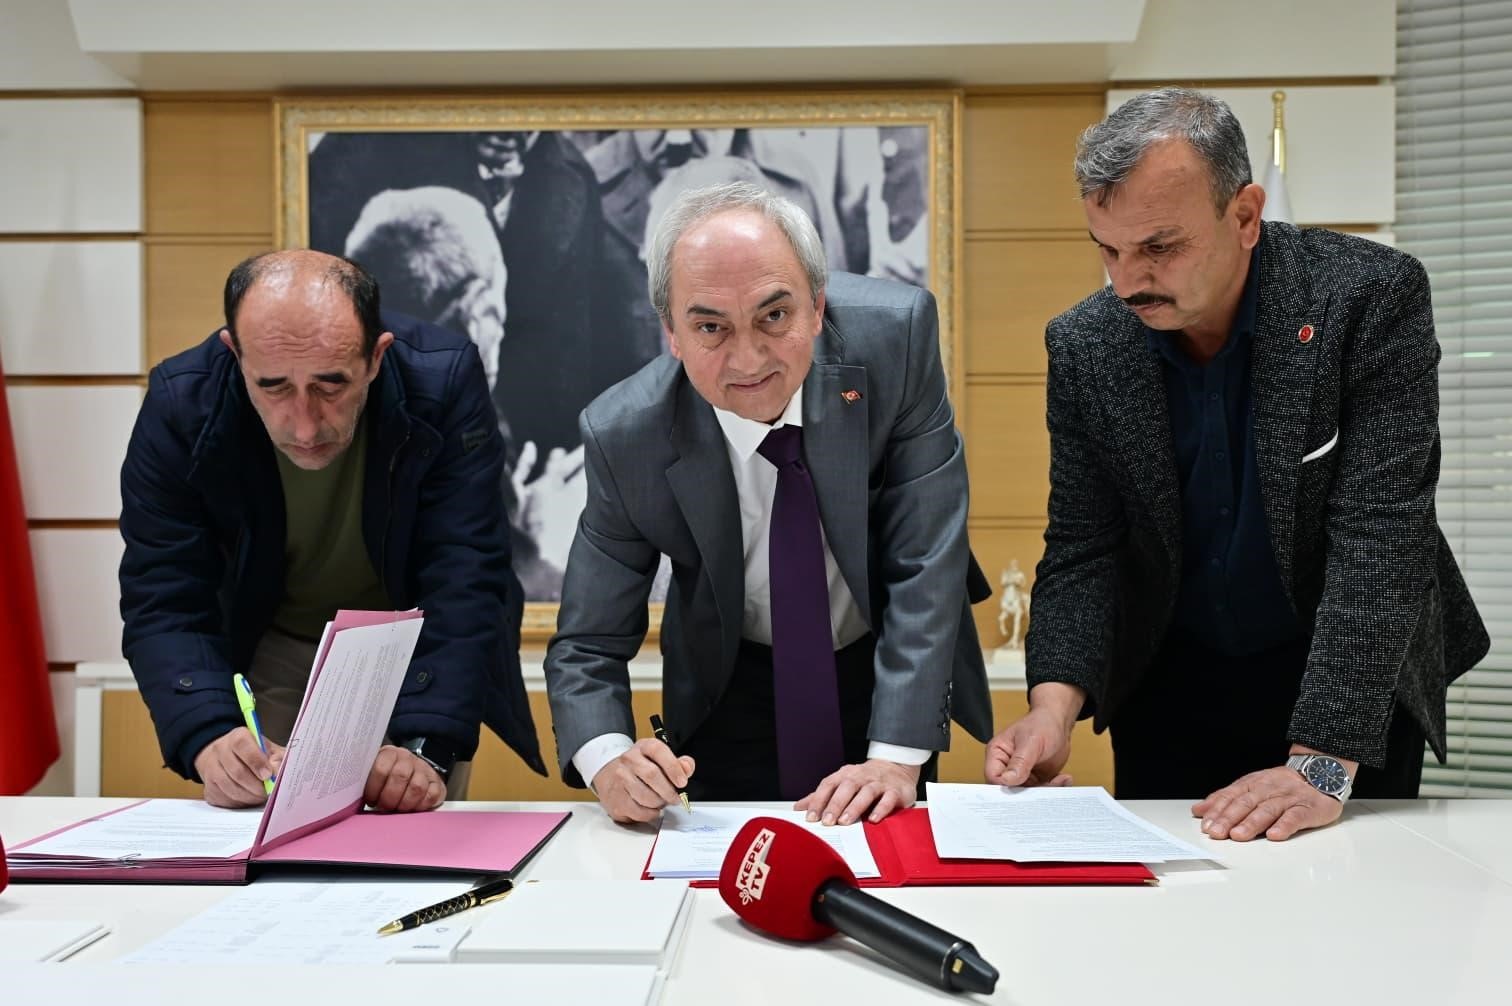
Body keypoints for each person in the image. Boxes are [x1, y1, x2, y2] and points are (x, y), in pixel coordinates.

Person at [984, 88, 1489, 842]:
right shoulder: (1088, 344)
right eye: (1108, 249)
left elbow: (1382, 534)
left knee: (1356, 892)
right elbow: (1086, 544)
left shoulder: (1366, 298)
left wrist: (1322, 764)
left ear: (1246, 216)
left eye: (1160, 247)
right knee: (1181, 896)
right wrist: (1051, 710)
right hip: (1172, 678)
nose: (1127, 282)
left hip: (1348, 672)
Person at [544, 182, 993, 827]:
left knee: (889, 858)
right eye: (710, 327)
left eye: (774, 316)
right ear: (671, 334)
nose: (748, 358)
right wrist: (608, 758)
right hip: (728, 681)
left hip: (884, 661)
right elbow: (587, 642)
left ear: (817, 306)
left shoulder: (895, 341)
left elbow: (927, 561)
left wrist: (895, 760)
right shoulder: (626, 435)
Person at [119, 249, 545, 812]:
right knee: (268, 830)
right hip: (268, 642)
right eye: (273, 386)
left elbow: (465, 570)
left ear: (376, 357)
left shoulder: (441, 380)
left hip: (413, 647)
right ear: (234, 355)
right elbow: (163, 589)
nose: (304, 426)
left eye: (331, 385)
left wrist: (427, 742)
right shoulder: (181, 404)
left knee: (409, 824)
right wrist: (207, 731)